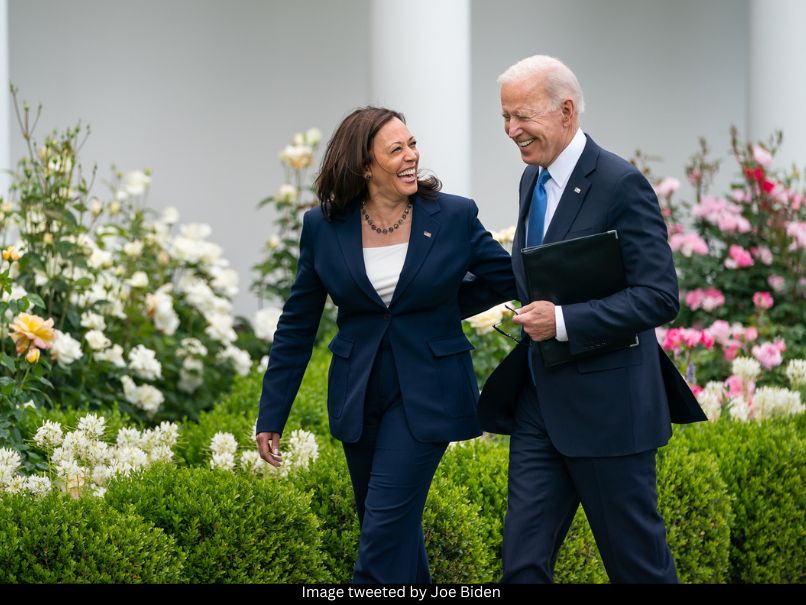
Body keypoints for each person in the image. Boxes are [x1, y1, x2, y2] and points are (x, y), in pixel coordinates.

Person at [255, 106, 516, 584]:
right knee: (392, 532)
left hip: (429, 392)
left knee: (380, 536)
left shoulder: (453, 215)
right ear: (363, 165)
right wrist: (271, 415)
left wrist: (442, 307)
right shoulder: (323, 226)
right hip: (359, 394)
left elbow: (505, 277)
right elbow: (297, 325)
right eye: (396, 149)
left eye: (412, 144)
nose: (412, 156)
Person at [479, 55, 705, 583]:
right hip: (539, 405)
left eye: (522, 117)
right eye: (504, 118)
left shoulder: (621, 184)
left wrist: (562, 321)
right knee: (522, 567)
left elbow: (658, 296)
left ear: (566, 111)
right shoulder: (530, 181)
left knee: (639, 570)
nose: (512, 130)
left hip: (610, 413)